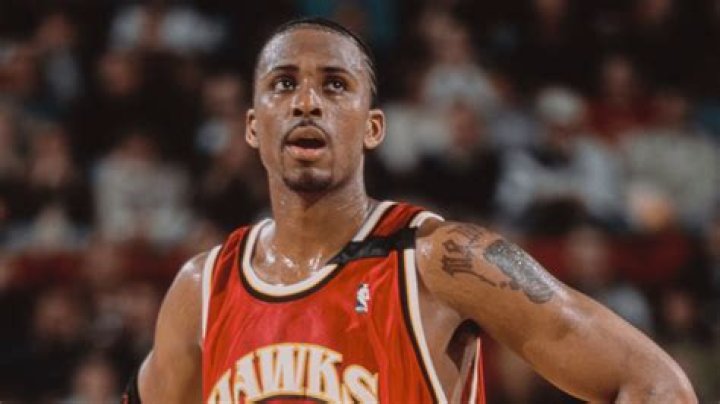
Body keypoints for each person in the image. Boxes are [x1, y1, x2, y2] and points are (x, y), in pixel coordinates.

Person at [126, 17, 697, 403]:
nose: (306, 102)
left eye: (334, 85)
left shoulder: (444, 260)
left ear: (372, 127)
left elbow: (655, 386)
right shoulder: (203, 288)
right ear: (253, 127)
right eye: (283, 83)